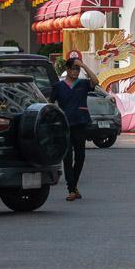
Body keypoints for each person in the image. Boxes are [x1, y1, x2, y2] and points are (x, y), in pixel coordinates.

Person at [49, 57, 94, 200]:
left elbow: (96, 81)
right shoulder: (58, 86)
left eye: (77, 69)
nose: (75, 71)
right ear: (67, 69)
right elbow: (51, 103)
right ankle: (71, 189)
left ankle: (73, 186)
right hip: (65, 126)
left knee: (80, 157)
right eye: (73, 68)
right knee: (67, 158)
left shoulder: (83, 84)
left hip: (80, 124)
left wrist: (84, 66)